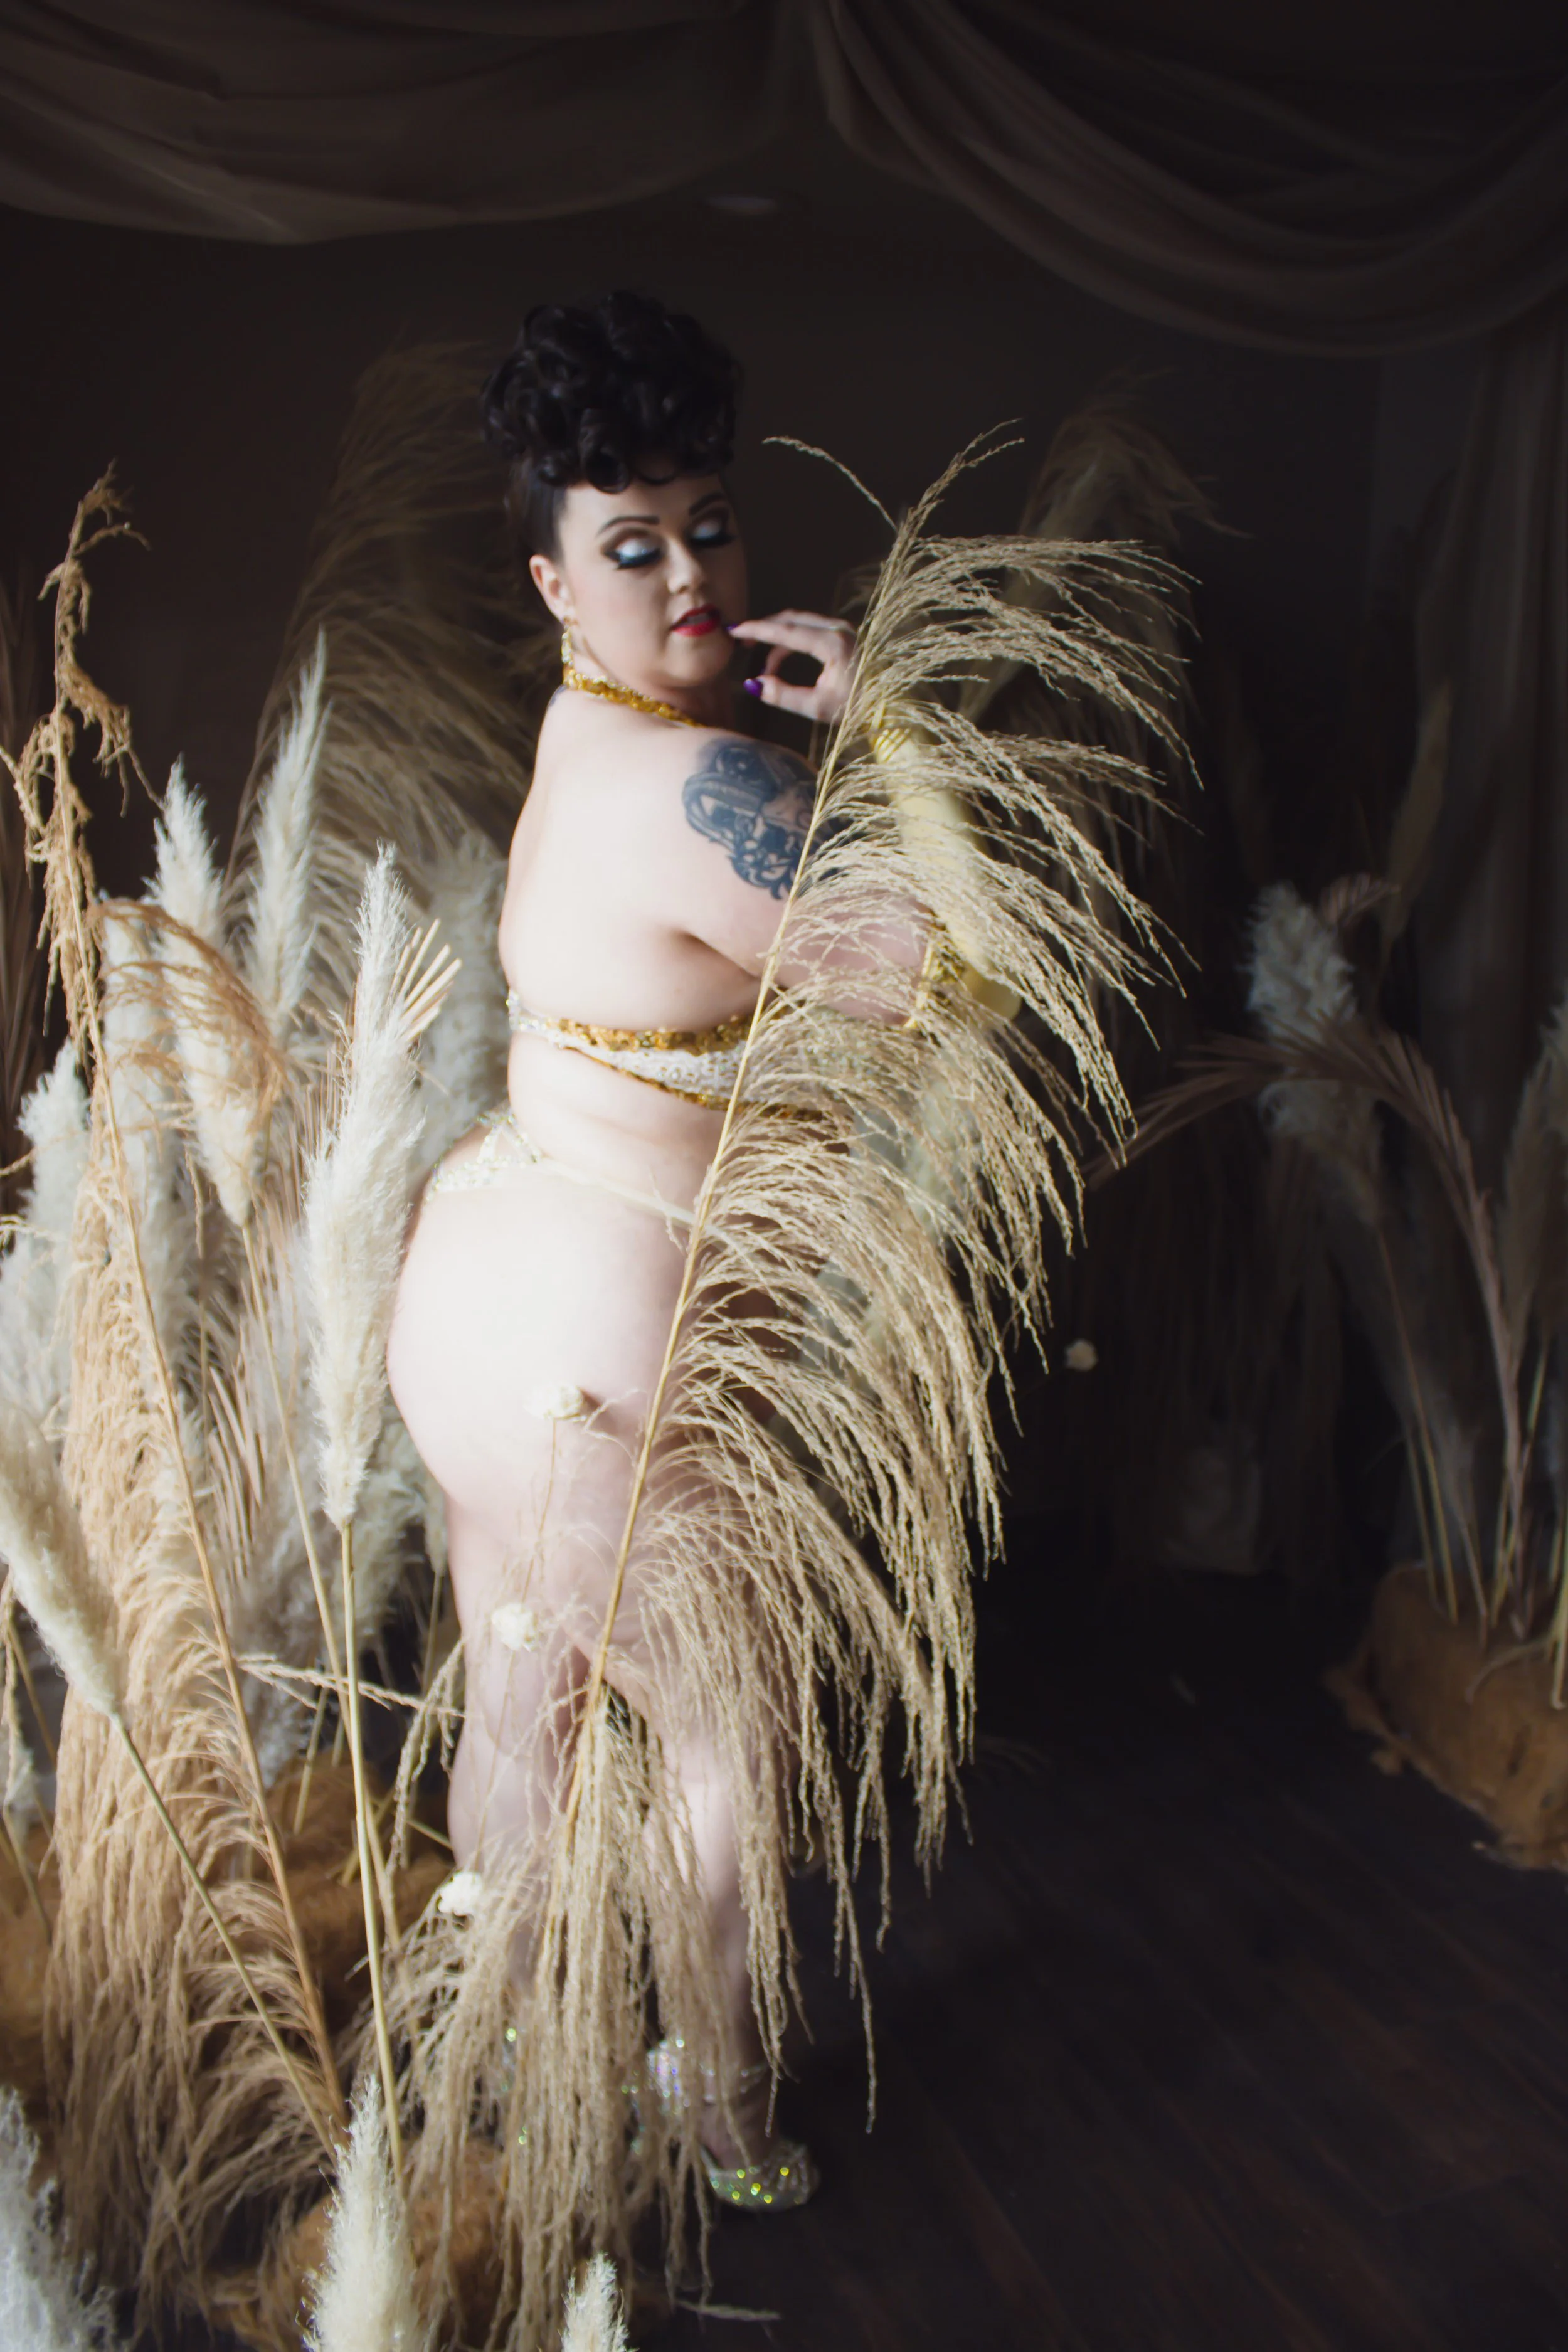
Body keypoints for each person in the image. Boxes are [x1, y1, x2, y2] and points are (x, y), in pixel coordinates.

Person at [388, 290, 882, 2208]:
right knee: (723, 1742)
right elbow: (930, 964)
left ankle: (512, 2045)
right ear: (551, 575)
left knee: (518, 1692)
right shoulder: (707, 784)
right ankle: (715, 2104)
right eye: (631, 544)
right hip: (606, 1335)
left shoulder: (597, 721)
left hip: (484, 1285)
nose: (687, 574)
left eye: (710, 525)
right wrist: (886, 724)